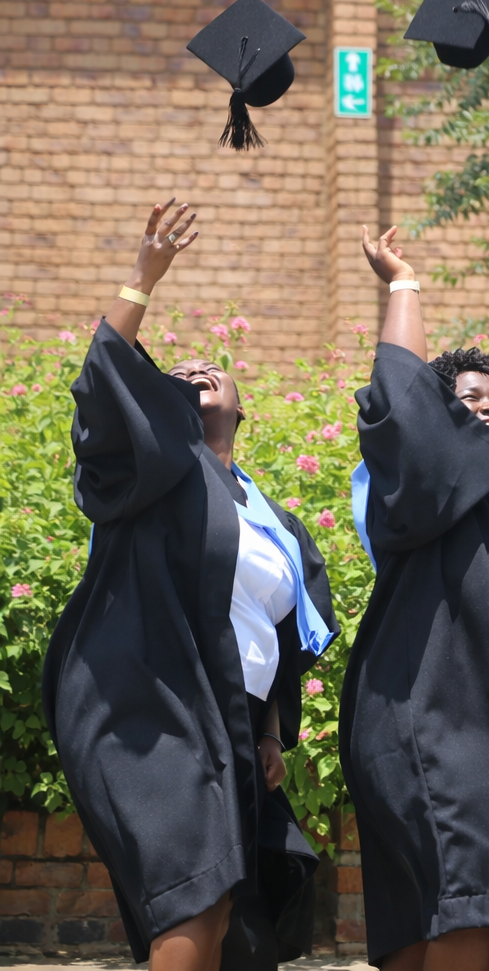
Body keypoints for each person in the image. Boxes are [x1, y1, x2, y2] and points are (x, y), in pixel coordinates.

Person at [44, 198, 340, 971]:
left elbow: (281, 638)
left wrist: (273, 729)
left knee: (229, 920)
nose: (200, 369)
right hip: (149, 703)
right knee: (194, 890)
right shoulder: (153, 474)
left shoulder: (271, 518)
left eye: (216, 372)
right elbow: (107, 390)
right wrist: (144, 276)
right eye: (177, 378)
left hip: (231, 722)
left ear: (243, 410)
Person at [343, 226, 489, 971]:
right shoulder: (419, 484)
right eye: (467, 397)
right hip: (441, 731)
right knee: (472, 908)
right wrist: (403, 285)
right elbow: (403, 398)